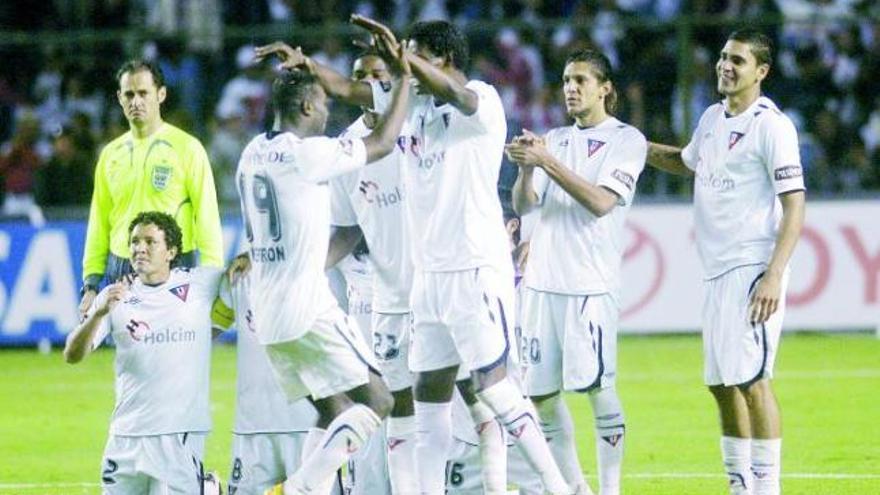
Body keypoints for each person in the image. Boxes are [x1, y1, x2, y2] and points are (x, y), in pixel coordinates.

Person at [255, 16, 570, 495]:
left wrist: (408, 66)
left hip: (474, 266)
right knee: (428, 404)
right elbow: (343, 88)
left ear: (441, 59)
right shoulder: (410, 104)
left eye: (416, 52)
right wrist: (307, 64)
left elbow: (455, 91)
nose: (404, 64)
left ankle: (559, 488)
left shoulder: (480, 100)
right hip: (428, 276)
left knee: (496, 390)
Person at [235, 33, 411, 494]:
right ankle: (298, 488)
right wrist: (405, 79)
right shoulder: (307, 154)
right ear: (308, 108)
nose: (331, 111)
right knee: (378, 400)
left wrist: (308, 64)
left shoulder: (251, 155)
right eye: (325, 103)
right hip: (309, 309)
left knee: (332, 410)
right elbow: (385, 141)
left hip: (269, 317)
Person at [645, 29, 805, 495]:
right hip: (716, 269)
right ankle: (740, 485)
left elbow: (794, 204)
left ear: (761, 71)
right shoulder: (713, 118)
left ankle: (766, 488)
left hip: (752, 266)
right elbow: (688, 162)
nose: (725, 66)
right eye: (722, 57)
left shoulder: (772, 126)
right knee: (720, 383)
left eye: (737, 60)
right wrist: (635, 147)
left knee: (753, 380)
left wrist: (774, 274)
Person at [507, 48, 647, 495]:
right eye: (567, 79)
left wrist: (546, 162)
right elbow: (525, 205)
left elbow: (601, 202)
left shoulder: (627, 140)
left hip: (589, 285)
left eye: (581, 80)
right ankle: (574, 487)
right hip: (541, 284)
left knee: (598, 389)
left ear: (605, 88)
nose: (570, 87)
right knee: (542, 396)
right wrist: (528, 169)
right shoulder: (556, 138)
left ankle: (610, 489)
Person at [63, 211, 225, 493]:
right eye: (135, 241)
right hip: (125, 436)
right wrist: (97, 314)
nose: (140, 248)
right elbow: (72, 354)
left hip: (177, 434)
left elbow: (240, 279)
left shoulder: (199, 284)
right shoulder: (113, 297)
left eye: (151, 241)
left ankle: (206, 488)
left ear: (171, 251)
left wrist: (212, 330)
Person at [326, 49, 416, 495]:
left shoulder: (419, 123)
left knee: (447, 402)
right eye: (358, 75)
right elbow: (345, 229)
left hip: (438, 288)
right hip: (385, 298)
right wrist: (307, 268)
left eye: (377, 75)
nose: (367, 83)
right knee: (388, 404)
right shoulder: (345, 148)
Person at [79, 59, 223, 317]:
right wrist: (90, 283)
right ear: (119, 98)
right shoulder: (110, 155)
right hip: (122, 265)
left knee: (173, 352)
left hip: (174, 266)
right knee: (128, 356)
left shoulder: (187, 148)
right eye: (129, 94)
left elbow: (207, 216)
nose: (136, 101)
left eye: (143, 93)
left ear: (161, 94)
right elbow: (99, 221)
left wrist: (213, 275)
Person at [212, 273, 338, 495]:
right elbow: (208, 328)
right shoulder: (240, 278)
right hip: (251, 429)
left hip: (309, 428)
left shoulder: (316, 276)